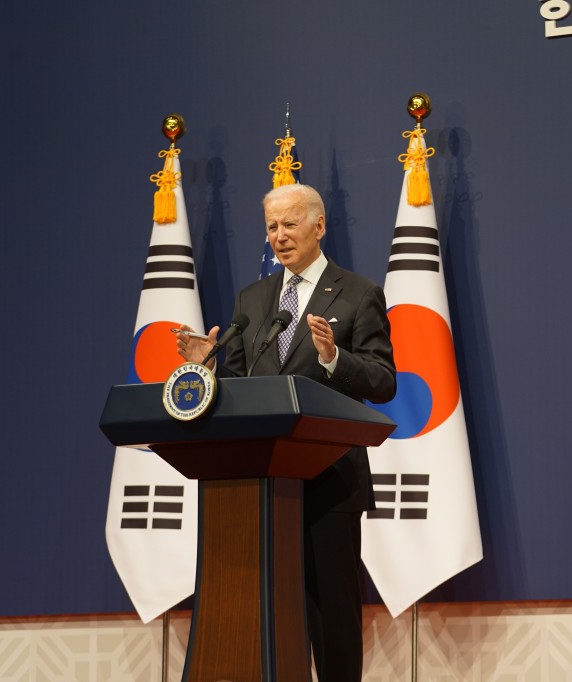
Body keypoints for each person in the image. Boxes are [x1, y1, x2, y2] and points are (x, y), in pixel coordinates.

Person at [176, 183, 396, 681]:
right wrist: (206, 368)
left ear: (319, 226)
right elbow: (244, 390)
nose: (279, 236)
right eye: (272, 226)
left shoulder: (359, 293)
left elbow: (383, 381)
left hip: (328, 480)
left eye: (289, 224)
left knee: (332, 613)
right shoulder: (253, 299)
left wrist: (333, 358)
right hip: (259, 486)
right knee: (269, 610)